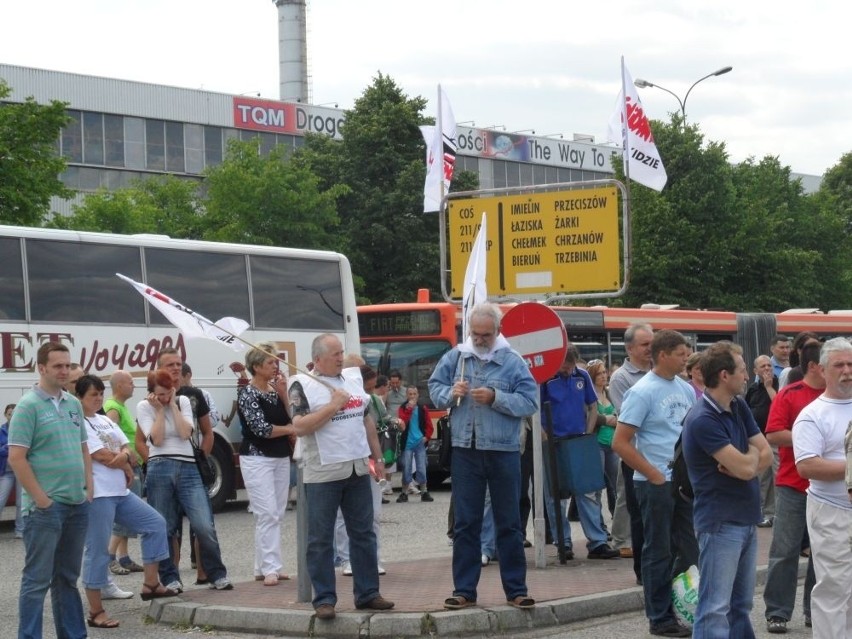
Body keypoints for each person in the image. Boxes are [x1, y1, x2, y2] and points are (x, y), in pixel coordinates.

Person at [428, 302, 538, 611]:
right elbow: (434, 389)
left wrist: (496, 398)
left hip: (503, 451)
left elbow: (530, 402)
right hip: (466, 450)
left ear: (498, 332)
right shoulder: (457, 357)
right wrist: (451, 393)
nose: (479, 339)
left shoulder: (513, 362)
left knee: (509, 522)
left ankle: (516, 589)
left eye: (485, 334)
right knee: (466, 523)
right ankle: (464, 590)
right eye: (475, 333)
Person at [288, 334, 393, 620]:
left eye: (341, 352)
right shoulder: (301, 384)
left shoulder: (352, 378)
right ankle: (324, 599)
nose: (339, 357)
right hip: (323, 472)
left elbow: (366, 419)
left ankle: (368, 593)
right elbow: (299, 427)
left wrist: (378, 457)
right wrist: (333, 405)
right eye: (334, 354)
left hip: (357, 468)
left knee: (363, 533)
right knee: (320, 539)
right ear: (318, 358)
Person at [682, 342, 772, 639]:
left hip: (745, 519)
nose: (748, 377)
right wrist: (748, 460)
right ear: (724, 375)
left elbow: (766, 454)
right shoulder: (702, 419)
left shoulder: (738, 405)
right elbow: (750, 468)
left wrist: (745, 460)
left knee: (740, 606)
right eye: (743, 371)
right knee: (714, 608)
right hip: (720, 523)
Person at [613, 329, 698, 638]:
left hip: (683, 482)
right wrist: (653, 474)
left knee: (690, 550)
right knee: (658, 551)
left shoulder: (686, 389)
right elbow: (620, 443)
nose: (686, 358)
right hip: (654, 482)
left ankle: (680, 603)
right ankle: (659, 617)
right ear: (663, 355)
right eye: (680, 354)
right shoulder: (642, 391)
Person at [76, 374, 177, 629]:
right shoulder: (79, 422)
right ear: (80, 398)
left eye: (100, 394)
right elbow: (99, 455)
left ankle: (151, 583)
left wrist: (123, 458)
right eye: (92, 395)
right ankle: (95, 610)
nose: (98, 398)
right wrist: (121, 458)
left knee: (155, 523)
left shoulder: (103, 420)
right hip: (98, 493)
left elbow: (128, 450)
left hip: (120, 492)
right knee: (97, 550)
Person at [8, 341, 93, 639]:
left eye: (67, 365)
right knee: (36, 581)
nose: (64, 371)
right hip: (45, 510)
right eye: (58, 366)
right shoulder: (27, 406)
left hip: (76, 505)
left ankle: (73, 635)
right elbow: (16, 458)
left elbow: (84, 449)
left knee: (68, 579)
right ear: (41, 368)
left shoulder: (72, 404)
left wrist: (88, 490)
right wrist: (42, 500)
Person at [135, 368, 232, 593]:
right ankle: (170, 577)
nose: (165, 397)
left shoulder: (184, 401)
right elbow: (156, 439)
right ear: (151, 393)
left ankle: (217, 573)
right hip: (159, 467)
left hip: (188, 467)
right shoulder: (143, 407)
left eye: (168, 392)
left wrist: (172, 406)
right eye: (159, 394)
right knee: (165, 525)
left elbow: (186, 432)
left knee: (203, 523)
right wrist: (159, 411)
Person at [792, 337, 852, 638]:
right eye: (839, 365)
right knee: (834, 588)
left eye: (851, 364)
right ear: (823, 370)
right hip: (832, 512)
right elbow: (807, 467)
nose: (847, 371)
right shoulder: (812, 415)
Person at [762, 341, 823, 633]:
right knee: (784, 550)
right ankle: (777, 612)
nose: (845, 371)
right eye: (835, 365)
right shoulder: (789, 394)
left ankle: (815, 610)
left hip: (827, 488)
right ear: (814, 366)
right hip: (793, 485)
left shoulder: (840, 396)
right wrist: (810, 438)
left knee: (823, 552)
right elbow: (773, 434)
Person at [540, 345, 619, 560]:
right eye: (565, 366)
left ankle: (597, 542)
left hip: (579, 440)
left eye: (571, 365)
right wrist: (545, 438)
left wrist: (588, 432)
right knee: (556, 496)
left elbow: (592, 406)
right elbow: (535, 410)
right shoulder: (546, 378)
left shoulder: (582, 375)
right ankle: (563, 542)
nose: (568, 370)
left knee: (588, 491)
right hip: (554, 442)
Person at [237, 342, 296, 586]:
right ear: (256, 366)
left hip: (281, 456)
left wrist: (283, 395)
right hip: (256, 457)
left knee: (276, 513)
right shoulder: (247, 393)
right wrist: (290, 429)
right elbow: (260, 428)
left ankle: (262, 566)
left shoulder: (274, 390)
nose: (276, 365)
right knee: (267, 512)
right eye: (271, 361)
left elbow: (293, 416)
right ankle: (272, 567)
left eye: (276, 361)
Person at [335, 365, 388, 577]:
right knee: (342, 516)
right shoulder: (344, 396)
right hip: (344, 459)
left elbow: (373, 429)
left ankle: (373, 557)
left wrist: (380, 459)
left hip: (367, 460)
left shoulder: (371, 400)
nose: (372, 390)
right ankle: (347, 558)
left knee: (373, 514)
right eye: (369, 385)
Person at [609, 323, 654, 567]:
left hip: (659, 454)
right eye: (645, 344)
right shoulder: (621, 378)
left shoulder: (659, 372)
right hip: (634, 452)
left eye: (652, 343)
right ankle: (628, 549)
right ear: (630, 348)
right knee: (633, 505)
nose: (651, 349)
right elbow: (627, 416)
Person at [103, 370, 144, 575]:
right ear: (119, 386)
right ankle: (109, 556)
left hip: (132, 465)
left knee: (126, 515)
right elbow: (109, 440)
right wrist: (124, 460)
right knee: (127, 513)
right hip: (127, 468)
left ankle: (124, 557)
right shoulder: (112, 409)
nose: (133, 385)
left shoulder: (119, 406)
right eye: (130, 382)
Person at [744, 355, 779, 527]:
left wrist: (769, 387)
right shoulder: (752, 389)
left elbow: (779, 405)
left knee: (777, 477)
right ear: (755, 371)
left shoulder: (778, 384)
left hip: (776, 439)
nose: (767, 369)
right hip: (758, 441)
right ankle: (766, 513)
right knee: (762, 479)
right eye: (763, 366)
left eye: (769, 365)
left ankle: (779, 514)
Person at [587, 360, 618, 517]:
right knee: (597, 486)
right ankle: (599, 524)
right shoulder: (589, 394)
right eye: (599, 373)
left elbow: (619, 412)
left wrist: (615, 418)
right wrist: (605, 419)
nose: (603, 376)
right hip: (596, 443)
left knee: (616, 484)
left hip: (612, 443)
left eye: (605, 372)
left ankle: (617, 518)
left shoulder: (609, 392)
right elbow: (587, 415)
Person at [396, 386, 434, 503]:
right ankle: (404, 492)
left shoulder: (423, 408)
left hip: (419, 441)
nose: (412, 396)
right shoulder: (402, 408)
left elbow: (429, 424)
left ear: (418, 395)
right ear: (407, 395)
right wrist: (409, 409)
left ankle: (424, 491)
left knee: (422, 467)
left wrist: (426, 437)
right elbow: (402, 423)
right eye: (410, 394)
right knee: (406, 467)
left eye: (414, 394)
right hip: (407, 442)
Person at [0, 403, 24, 539]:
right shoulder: (1, 431)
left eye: (14, 414)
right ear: (5, 415)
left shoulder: (23, 429)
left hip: (21, 470)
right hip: (7, 472)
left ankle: (20, 530)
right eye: (9, 414)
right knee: (1, 500)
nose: (12, 417)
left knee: (21, 502)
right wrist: (8, 448)